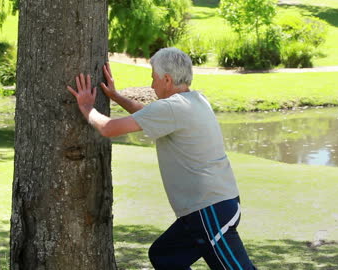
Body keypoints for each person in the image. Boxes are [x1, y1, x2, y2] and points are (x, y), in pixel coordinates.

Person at [67, 47, 257, 270]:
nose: (151, 85)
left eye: (153, 78)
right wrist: (116, 97)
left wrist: (87, 107)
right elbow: (148, 116)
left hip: (210, 209)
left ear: (167, 79)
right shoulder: (194, 100)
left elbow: (109, 128)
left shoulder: (174, 108)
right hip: (207, 208)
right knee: (164, 256)